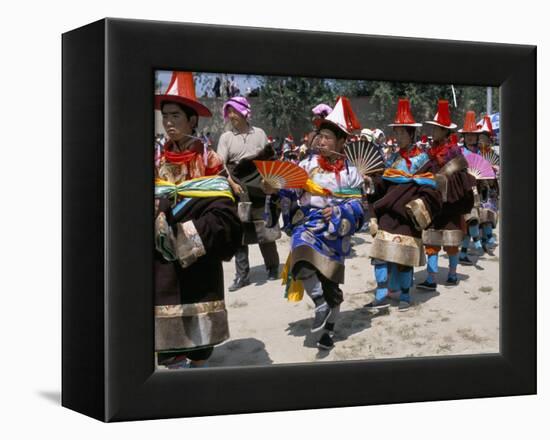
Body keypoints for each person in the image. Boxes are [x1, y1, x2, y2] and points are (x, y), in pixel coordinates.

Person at [153, 71, 242, 369]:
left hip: (199, 255)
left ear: (192, 120)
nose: (168, 122)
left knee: (199, 347)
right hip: (163, 260)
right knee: (168, 344)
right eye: (165, 116)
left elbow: (224, 215)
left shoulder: (210, 160)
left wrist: (186, 233)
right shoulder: (155, 161)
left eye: (175, 115)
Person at [263, 97, 365, 350]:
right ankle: (318, 302)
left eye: (328, 137)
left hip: (336, 234)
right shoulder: (307, 164)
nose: (321, 141)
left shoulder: (352, 172)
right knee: (300, 255)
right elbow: (288, 189)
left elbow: (358, 207)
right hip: (309, 226)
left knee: (332, 287)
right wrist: (274, 189)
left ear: (342, 141)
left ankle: (328, 331)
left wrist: (340, 212)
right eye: (320, 136)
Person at [365, 98, 442, 311]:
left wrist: (418, 205)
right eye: (396, 133)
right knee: (380, 254)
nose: (398, 137)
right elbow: (384, 183)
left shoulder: (424, 160)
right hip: (389, 214)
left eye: (401, 133)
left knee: (404, 259)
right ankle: (381, 292)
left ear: (411, 134)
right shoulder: (392, 160)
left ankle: (406, 295)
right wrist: (371, 181)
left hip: (408, 216)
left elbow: (431, 188)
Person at [216, 96, 281, 291]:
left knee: (265, 229)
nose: (231, 116)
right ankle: (242, 276)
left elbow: (269, 160)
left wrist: (268, 182)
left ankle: (273, 267)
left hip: (260, 188)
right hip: (237, 188)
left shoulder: (259, 133)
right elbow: (220, 165)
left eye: (234, 111)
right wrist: (232, 184)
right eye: (229, 112)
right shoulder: (226, 137)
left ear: (244, 112)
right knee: (239, 234)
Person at [416, 100, 476, 290]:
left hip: (451, 203)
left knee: (451, 242)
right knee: (431, 240)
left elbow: (461, 174)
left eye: (437, 129)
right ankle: (431, 279)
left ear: (445, 131)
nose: (433, 132)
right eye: (433, 128)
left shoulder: (454, 151)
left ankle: (452, 274)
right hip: (434, 202)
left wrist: (445, 180)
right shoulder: (429, 151)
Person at [458, 111, 484, 264]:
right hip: (464, 190)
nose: (470, 137)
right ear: (464, 136)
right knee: (471, 218)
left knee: (470, 222)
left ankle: (463, 254)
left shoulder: (480, 152)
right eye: (468, 134)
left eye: (473, 135)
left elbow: (484, 170)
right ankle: (477, 241)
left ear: (477, 137)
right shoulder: (460, 152)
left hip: (477, 190)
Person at [477, 115, 499, 253]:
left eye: (485, 137)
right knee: (482, 215)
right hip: (479, 189)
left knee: (489, 214)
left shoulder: (494, 154)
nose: (482, 140)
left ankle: (487, 239)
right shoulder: (476, 153)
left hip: (491, 189)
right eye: (481, 137)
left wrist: (494, 172)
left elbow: (499, 168)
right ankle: (483, 239)